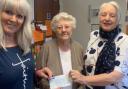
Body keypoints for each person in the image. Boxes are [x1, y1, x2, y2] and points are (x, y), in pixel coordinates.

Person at [69, 1, 128, 89]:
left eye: (112, 16)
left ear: (117, 19)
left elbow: (115, 76)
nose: (107, 18)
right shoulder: (93, 35)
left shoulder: (124, 40)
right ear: (99, 17)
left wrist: (84, 79)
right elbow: (90, 62)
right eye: (103, 14)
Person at [36, 12, 84, 89]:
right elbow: (38, 75)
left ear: (72, 28)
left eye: (67, 27)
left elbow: (83, 75)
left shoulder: (79, 47)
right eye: (59, 27)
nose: (63, 30)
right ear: (55, 30)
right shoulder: (47, 47)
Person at [0, 0, 35, 89]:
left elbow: (22, 74)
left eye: (19, 16)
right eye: (8, 12)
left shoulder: (25, 44)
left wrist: (36, 73)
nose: (13, 19)